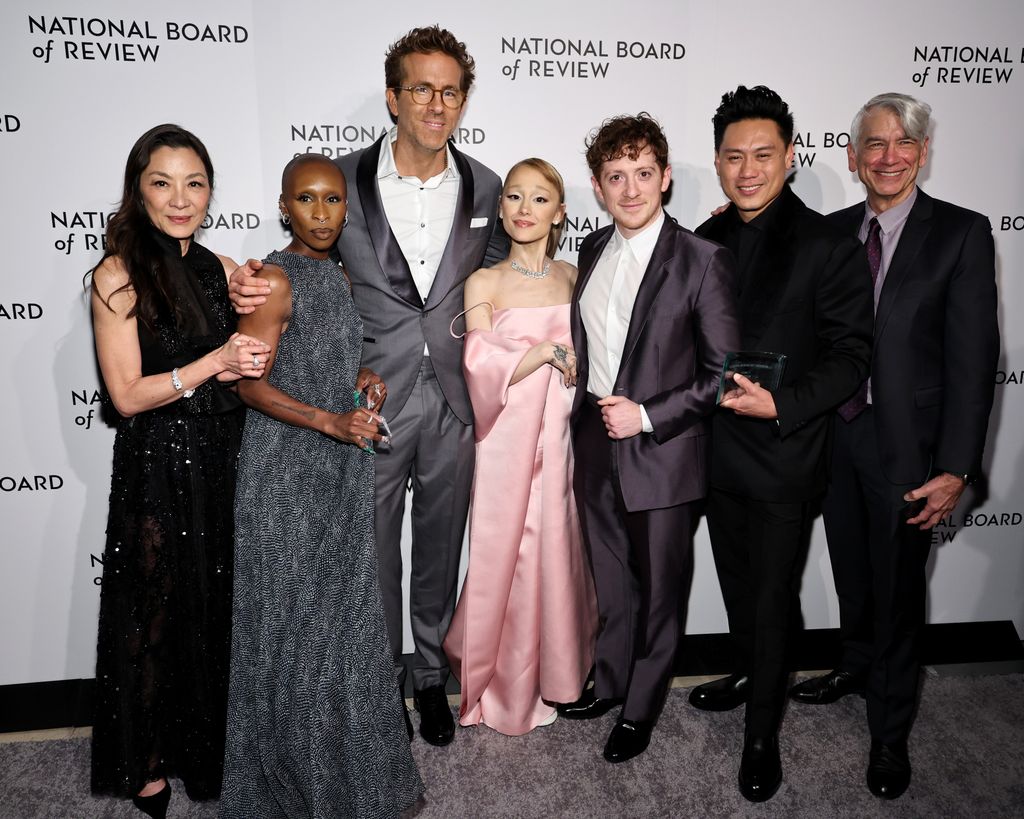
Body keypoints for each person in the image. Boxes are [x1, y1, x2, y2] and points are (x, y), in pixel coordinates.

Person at [229, 26, 507, 747]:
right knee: (372, 547)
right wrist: (241, 282)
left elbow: (505, 274)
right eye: (421, 88)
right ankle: (379, 676)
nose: (435, 103)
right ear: (393, 96)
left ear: (462, 99)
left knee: (441, 545)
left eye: (450, 90)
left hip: (451, 398)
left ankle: (428, 676)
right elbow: (307, 263)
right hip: (368, 398)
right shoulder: (340, 181)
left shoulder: (486, 184)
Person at [788, 92, 999, 800]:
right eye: (873, 144)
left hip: (907, 445)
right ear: (852, 157)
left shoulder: (962, 234)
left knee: (900, 588)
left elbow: (974, 362)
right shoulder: (829, 230)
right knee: (851, 564)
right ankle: (853, 663)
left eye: (902, 142)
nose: (887, 155)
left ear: (923, 152)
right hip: (834, 434)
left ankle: (890, 730)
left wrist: (957, 468)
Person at [219, 154, 423, 818]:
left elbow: (327, 353)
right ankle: (288, 785)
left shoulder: (335, 271)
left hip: (335, 465)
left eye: (333, 201)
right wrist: (328, 419)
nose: (321, 213)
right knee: (291, 633)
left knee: (336, 630)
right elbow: (249, 383)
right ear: (284, 207)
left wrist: (363, 379)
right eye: (306, 200)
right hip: (285, 474)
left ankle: (338, 774)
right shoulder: (275, 280)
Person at [685, 86, 874, 802]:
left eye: (763, 154)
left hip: (784, 455)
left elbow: (853, 355)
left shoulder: (829, 244)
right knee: (739, 588)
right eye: (733, 156)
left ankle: (762, 733)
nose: (747, 169)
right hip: (714, 452)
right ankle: (746, 673)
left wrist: (782, 402)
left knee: (770, 598)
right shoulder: (707, 240)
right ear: (718, 161)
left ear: (791, 157)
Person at [88, 124, 271, 819]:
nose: (180, 197)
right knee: (154, 611)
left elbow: (254, 350)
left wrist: (256, 329)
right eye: (162, 182)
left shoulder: (222, 267)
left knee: (214, 606)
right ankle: (146, 763)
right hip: (159, 464)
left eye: (195, 182)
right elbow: (127, 395)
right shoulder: (117, 275)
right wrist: (214, 363)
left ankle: (204, 750)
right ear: (139, 188)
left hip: (227, 457)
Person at [557, 113, 740, 763]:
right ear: (598, 187)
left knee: (660, 589)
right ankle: (609, 683)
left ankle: (640, 709)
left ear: (664, 177)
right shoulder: (590, 250)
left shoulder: (702, 259)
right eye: (615, 176)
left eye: (642, 173)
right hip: (593, 437)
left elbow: (724, 375)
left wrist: (650, 414)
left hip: (662, 446)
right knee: (611, 576)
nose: (630, 189)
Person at [442, 158, 597, 735]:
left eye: (539, 199)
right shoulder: (483, 282)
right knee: (504, 552)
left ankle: (557, 676)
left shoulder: (575, 276)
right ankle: (499, 682)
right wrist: (540, 354)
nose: (524, 209)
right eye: (513, 197)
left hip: (560, 438)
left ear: (559, 213)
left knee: (555, 548)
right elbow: (477, 363)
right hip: (505, 440)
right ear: (501, 208)